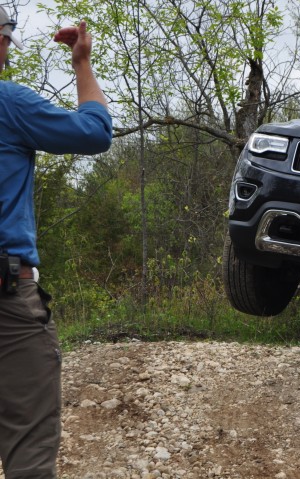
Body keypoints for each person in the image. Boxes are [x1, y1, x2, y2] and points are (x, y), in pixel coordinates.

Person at [0, 7, 112, 478]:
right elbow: (95, 132)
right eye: (5, 38)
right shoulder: (9, 103)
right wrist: (81, 63)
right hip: (7, 301)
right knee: (28, 444)